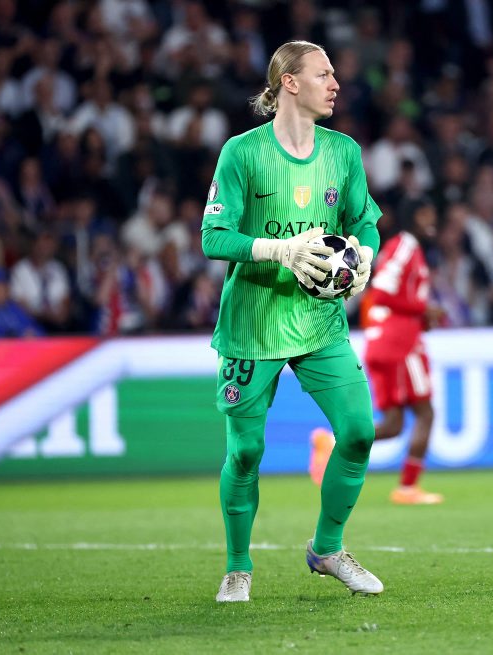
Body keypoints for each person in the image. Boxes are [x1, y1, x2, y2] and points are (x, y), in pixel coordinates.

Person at [199, 41, 382, 603]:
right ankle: (237, 567)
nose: (336, 84)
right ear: (290, 83)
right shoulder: (242, 153)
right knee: (246, 453)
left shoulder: (343, 152)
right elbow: (213, 237)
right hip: (253, 321)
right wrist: (280, 250)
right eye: (324, 74)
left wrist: (365, 255)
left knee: (359, 431)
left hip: (319, 320)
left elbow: (365, 222)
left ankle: (328, 548)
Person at [310, 198, 444, 504]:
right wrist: (423, 310)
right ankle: (408, 488)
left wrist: (421, 315)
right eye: (426, 214)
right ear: (414, 217)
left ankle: (330, 442)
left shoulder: (405, 248)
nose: (431, 219)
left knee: (394, 424)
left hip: (385, 342)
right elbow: (382, 289)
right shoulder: (405, 246)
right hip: (400, 345)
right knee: (425, 412)